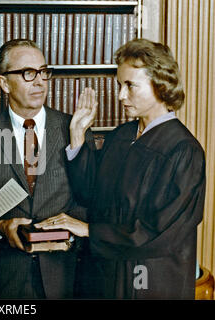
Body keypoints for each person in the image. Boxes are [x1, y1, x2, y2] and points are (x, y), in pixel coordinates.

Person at [35, 39, 206, 299]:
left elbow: (161, 231)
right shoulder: (122, 136)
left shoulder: (183, 150)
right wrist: (78, 135)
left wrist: (90, 230)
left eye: (130, 86)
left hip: (150, 281)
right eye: (119, 85)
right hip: (108, 275)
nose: (120, 96)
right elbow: (90, 194)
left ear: (160, 85)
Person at [0, 39, 95, 299]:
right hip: (3, 282)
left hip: (65, 278)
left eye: (43, 72)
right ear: (4, 83)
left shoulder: (74, 129)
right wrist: (0, 228)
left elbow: (90, 198)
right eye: (28, 73)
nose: (39, 81)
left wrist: (68, 237)